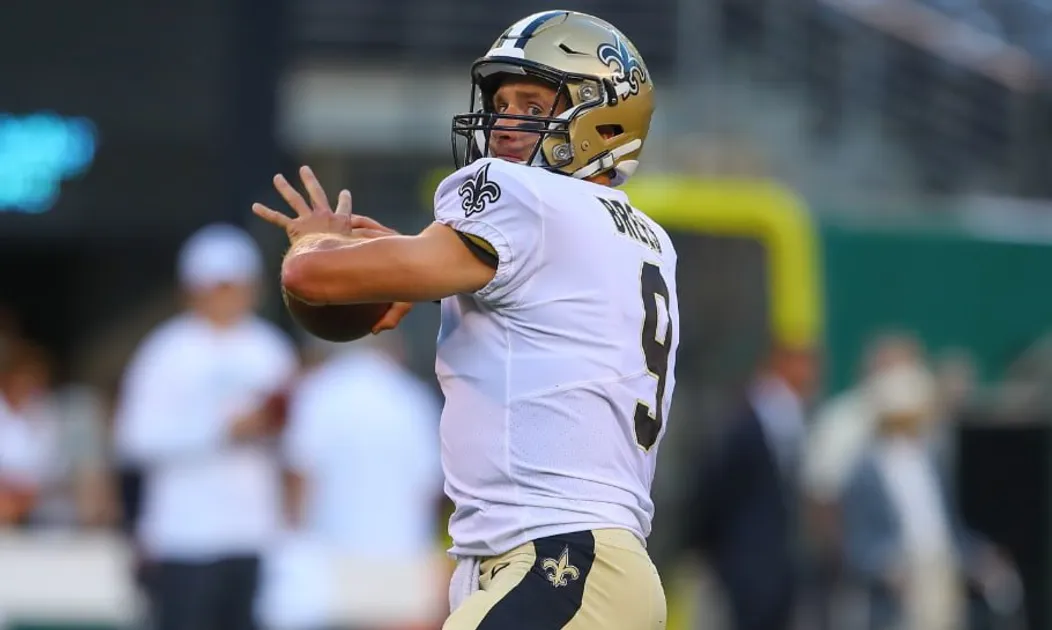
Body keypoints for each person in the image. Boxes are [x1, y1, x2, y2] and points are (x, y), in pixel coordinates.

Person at [253, 10, 677, 630]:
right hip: (591, 567)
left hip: (559, 559)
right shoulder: (645, 237)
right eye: (501, 102)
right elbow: (538, 309)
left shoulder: (522, 196)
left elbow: (307, 279)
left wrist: (312, 241)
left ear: (602, 117)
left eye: (532, 105)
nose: (505, 123)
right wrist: (417, 265)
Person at [113, 223, 299, 630]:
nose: (228, 296)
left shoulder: (270, 349)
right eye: (218, 285)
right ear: (193, 289)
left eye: (236, 285)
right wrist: (221, 431)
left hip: (253, 533)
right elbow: (134, 439)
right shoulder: (165, 352)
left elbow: (294, 439)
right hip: (184, 535)